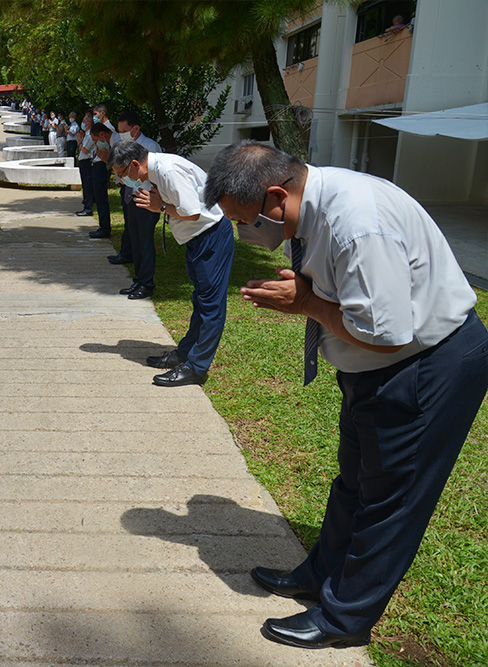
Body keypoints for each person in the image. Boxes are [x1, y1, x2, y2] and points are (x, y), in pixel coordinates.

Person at [204, 140, 488, 649]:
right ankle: (319, 577)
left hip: (423, 364)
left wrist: (305, 303)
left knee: (391, 499)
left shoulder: (358, 225)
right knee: (355, 481)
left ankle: (345, 619)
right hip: (373, 368)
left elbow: (386, 334)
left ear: (276, 197)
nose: (243, 231)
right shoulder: (313, 202)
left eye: (245, 220)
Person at [110, 142, 234, 386]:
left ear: (135, 165)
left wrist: (161, 207)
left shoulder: (168, 170)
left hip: (210, 236)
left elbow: (192, 212)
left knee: (211, 304)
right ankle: (185, 353)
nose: (122, 180)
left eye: (122, 174)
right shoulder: (156, 171)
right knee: (200, 299)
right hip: (198, 238)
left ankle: (197, 367)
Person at [111, 111, 162, 299]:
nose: (121, 135)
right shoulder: (125, 147)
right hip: (132, 197)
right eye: (119, 132)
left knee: (145, 242)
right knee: (136, 241)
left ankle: (147, 283)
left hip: (147, 200)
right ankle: (139, 279)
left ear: (136, 129)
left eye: (124, 131)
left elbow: (156, 176)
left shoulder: (150, 146)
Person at [88, 118, 115, 239]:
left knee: (101, 198)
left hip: (102, 167)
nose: (96, 143)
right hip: (98, 165)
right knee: (99, 198)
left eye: (95, 140)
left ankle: (105, 228)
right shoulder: (109, 141)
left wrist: (107, 160)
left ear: (102, 134)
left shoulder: (114, 141)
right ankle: (103, 226)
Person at [75, 112, 95, 218]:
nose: (82, 123)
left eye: (84, 121)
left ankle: (88, 208)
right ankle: (86, 205)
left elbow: (84, 149)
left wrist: (79, 142)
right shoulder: (86, 134)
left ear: (88, 123)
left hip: (87, 162)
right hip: (83, 161)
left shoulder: (89, 134)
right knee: (85, 185)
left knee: (87, 186)